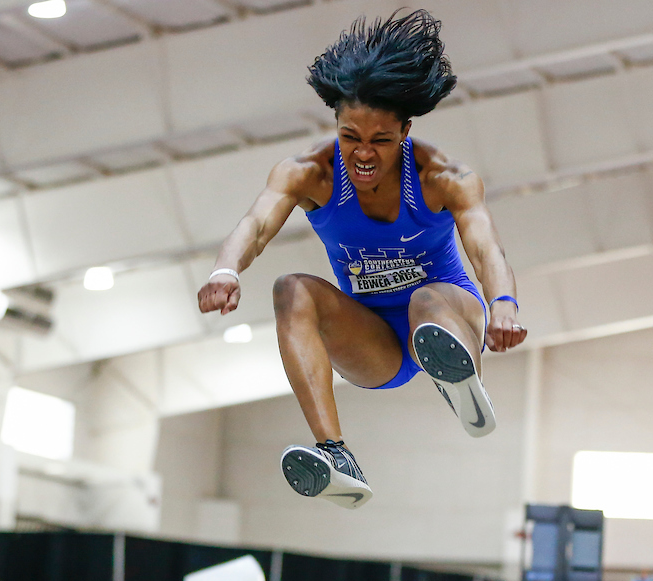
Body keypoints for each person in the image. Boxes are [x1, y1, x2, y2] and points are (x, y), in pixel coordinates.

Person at [196, 9, 527, 510]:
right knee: (290, 289)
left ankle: (459, 377)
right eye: (351, 137)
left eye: (381, 141)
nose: (364, 155)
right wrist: (226, 271)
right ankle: (335, 454)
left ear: (407, 130)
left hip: (447, 314)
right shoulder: (310, 173)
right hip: (374, 343)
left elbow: (484, 246)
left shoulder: (444, 176)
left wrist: (504, 303)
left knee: (425, 300)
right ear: (335, 123)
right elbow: (256, 224)